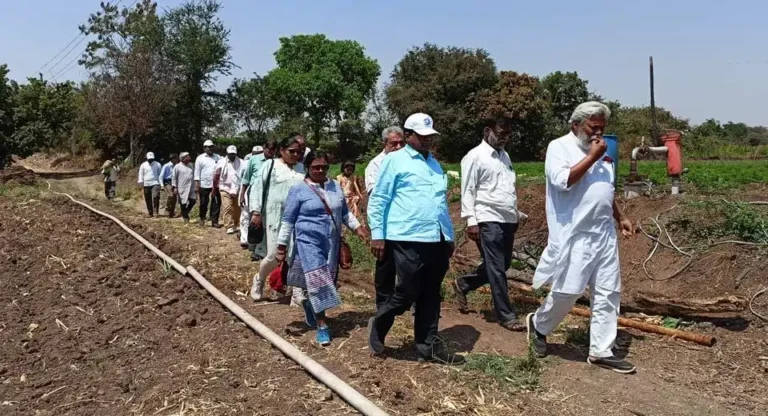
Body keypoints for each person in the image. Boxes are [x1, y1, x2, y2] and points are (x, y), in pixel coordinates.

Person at [526, 101, 636, 374]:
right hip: (574, 234)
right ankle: (539, 325)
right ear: (576, 125)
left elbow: (604, 190)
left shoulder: (602, 154)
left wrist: (620, 217)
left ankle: (601, 351)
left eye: (602, 127)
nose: (597, 132)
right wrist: (593, 157)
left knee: (609, 293)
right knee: (569, 290)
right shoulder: (559, 148)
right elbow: (563, 180)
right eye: (592, 126)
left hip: (604, 234)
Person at [367, 113, 463, 365]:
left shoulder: (434, 163)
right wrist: (378, 234)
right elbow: (379, 199)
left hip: (436, 238)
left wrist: (448, 236)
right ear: (408, 136)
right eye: (421, 136)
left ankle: (427, 347)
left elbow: (439, 202)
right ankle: (380, 322)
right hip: (406, 235)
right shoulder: (394, 161)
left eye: (430, 136)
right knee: (408, 289)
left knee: (431, 293)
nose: (427, 140)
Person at [279, 150, 369, 345]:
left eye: (323, 167)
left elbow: (344, 213)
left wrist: (358, 228)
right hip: (308, 242)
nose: (320, 170)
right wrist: (281, 245)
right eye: (315, 167)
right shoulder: (298, 190)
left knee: (327, 279)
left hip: (331, 243)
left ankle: (310, 305)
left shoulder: (335, 187)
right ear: (307, 168)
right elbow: (288, 220)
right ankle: (322, 325)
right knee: (319, 281)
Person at [453, 116, 524, 330]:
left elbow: (506, 188)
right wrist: (471, 221)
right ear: (488, 131)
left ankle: (464, 283)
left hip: (507, 218)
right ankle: (506, 315)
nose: (504, 138)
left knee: (503, 264)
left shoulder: (505, 157)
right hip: (487, 217)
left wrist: (516, 214)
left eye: (508, 135)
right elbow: (468, 190)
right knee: (496, 267)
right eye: (501, 133)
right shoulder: (474, 157)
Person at [248, 135, 306, 302]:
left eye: (298, 152)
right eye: (292, 151)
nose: (295, 155)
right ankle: (259, 279)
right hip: (275, 216)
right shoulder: (271, 165)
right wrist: (256, 212)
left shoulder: (301, 168)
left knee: (295, 255)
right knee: (275, 255)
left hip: (298, 216)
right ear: (281, 150)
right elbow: (257, 187)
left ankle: (296, 291)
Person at [365, 126, 406, 310]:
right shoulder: (375, 165)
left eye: (400, 143)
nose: (398, 147)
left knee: (409, 266)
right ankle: (383, 305)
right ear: (384, 143)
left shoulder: (409, 161)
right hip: (387, 224)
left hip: (407, 224)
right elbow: (377, 197)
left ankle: (407, 301)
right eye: (393, 143)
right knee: (386, 266)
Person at [239, 140, 277, 255]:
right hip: (255, 194)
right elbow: (246, 179)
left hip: (270, 194)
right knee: (254, 220)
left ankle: (261, 249)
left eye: (273, 150)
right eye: (268, 149)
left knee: (267, 221)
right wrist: (242, 195)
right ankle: (253, 246)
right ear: (264, 148)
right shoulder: (254, 160)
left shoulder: (276, 162)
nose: (270, 152)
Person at [215, 145, 243, 235]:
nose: (232, 156)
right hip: (224, 187)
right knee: (227, 207)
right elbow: (216, 174)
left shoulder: (241, 162)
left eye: (233, 154)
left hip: (237, 187)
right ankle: (229, 226)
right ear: (227, 153)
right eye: (230, 154)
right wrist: (215, 186)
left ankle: (236, 224)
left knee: (237, 207)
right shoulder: (221, 162)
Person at [194, 139, 221, 228]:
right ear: (204, 148)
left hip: (215, 185)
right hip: (204, 184)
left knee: (216, 203)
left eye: (211, 147)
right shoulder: (200, 158)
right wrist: (197, 184)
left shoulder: (218, 157)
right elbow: (197, 172)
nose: (210, 149)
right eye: (208, 147)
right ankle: (202, 218)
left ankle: (214, 221)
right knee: (203, 203)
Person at [172, 152, 196, 223]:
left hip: (191, 186)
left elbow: (194, 175)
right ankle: (185, 217)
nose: (189, 158)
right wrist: (175, 187)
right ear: (182, 159)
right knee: (183, 203)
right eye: (187, 157)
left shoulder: (191, 165)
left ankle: (184, 213)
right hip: (182, 187)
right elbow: (174, 178)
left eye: (189, 157)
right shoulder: (177, 167)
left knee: (193, 201)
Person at [137, 152, 162, 217]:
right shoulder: (143, 165)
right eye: (149, 159)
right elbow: (141, 174)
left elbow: (160, 174)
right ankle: (150, 212)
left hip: (155, 183)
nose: (150, 160)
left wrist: (161, 184)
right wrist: (140, 182)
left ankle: (156, 212)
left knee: (155, 196)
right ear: (147, 158)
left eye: (151, 159)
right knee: (148, 198)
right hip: (146, 183)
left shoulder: (158, 164)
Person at [160, 153, 179, 218]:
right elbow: (161, 176)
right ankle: (167, 208)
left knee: (174, 197)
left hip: (175, 181)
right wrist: (162, 185)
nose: (177, 160)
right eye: (176, 159)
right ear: (173, 159)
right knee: (171, 195)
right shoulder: (166, 166)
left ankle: (171, 212)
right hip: (167, 182)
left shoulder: (177, 166)